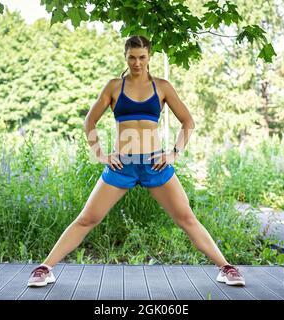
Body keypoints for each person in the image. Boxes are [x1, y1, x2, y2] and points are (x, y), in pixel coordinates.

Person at [27, 35, 245, 287]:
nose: (137, 63)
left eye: (142, 57)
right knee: (88, 218)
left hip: (155, 164)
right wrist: (100, 153)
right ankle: (45, 268)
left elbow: (188, 121)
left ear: (149, 57)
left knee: (186, 219)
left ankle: (226, 267)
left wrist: (173, 152)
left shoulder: (162, 86)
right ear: (125, 57)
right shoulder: (113, 87)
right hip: (122, 165)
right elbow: (89, 121)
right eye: (132, 57)